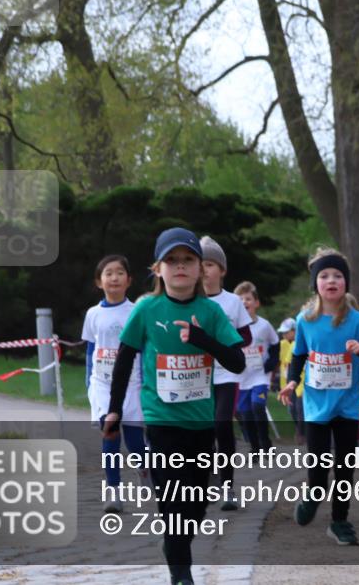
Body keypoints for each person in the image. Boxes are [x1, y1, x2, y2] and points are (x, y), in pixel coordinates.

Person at [102, 227, 247, 585]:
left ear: (200, 269)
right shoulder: (148, 309)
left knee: (195, 505)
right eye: (171, 260)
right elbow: (124, 360)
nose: (179, 266)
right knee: (174, 498)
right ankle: (181, 572)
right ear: (158, 269)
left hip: (200, 423)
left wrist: (202, 339)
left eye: (188, 260)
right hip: (161, 420)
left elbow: (237, 362)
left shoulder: (210, 312)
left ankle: (176, 545)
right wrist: (115, 409)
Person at [278, 248, 359, 546]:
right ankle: (312, 498)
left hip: (347, 406)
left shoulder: (358, 321)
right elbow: (298, 356)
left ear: (346, 283)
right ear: (316, 284)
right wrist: (291, 382)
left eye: (338, 275)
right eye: (324, 275)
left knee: (345, 466)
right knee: (319, 468)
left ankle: (339, 521)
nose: (331, 280)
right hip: (315, 407)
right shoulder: (305, 320)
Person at [82, 254, 146, 513]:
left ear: (129, 280)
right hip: (102, 386)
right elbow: (90, 349)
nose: (114, 277)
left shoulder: (137, 312)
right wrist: (89, 381)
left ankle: (146, 469)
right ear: (99, 281)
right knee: (110, 435)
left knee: (135, 443)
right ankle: (114, 491)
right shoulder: (93, 314)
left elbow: (144, 349)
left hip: (131, 385)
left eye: (120, 272)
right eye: (108, 273)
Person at [199, 235, 253, 510]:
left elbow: (246, 337)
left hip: (227, 373)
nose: (205, 269)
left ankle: (229, 486)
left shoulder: (232, 302)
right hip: (196, 375)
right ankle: (205, 479)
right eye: (201, 264)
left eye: (210, 264)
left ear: (221, 270)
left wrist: (223, 344)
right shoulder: (190, 300)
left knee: (222, 424)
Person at [232, 281, 280, 454]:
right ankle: (254, 447)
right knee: (246, 414)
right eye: (240, 300)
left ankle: (266, 444)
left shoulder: (264, 325)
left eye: (248, 299)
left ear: (256, 303)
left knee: (258, 406)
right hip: (241, 378)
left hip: (260, 376)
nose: (245, 303)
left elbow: (275, 345)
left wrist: (270, 364)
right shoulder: (232, 327)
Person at [277, 317, 303, 443]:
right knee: (292, 409)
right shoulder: (283, 344)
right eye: (283, 332)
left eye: (287, 332)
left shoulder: (298, 342)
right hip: (287, 383)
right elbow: (282, 362)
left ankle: (303, 434)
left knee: (300, 409)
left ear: (294, 330)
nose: (284, 334)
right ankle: (299, 431)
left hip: (301, 382)